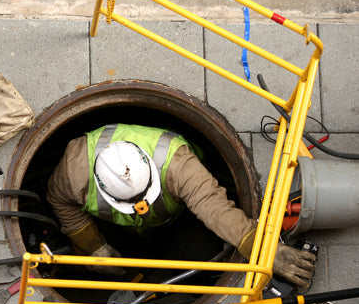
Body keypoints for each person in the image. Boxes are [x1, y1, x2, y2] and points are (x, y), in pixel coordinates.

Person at [46, 123, 316, 288]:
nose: (141, 205)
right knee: (100, 260)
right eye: (132, 203)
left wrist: (264, 251)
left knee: (202, 256)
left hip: (177, 221)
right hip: (119, 228)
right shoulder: (73, 170)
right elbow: (60, 202)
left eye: (143, 197)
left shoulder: (178, 164)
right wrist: (94, 247)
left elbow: (215, 208)